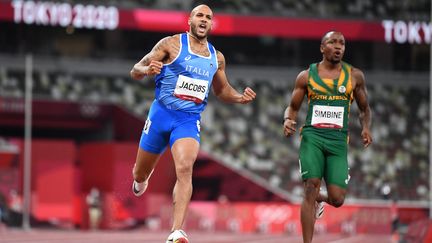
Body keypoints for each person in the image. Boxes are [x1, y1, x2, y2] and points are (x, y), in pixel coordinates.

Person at [130, 4, 256, 243]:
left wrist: (239, 97)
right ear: (189, 19)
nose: (204, 20)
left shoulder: (216, 57)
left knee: (186, 167)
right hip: (160, 115)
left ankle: (176, 231)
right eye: (200, 15)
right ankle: (141, 179)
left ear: (211, 24)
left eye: (208, 17)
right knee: (139, 172)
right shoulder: (171, 44)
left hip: (187, 121)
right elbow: (135, 70)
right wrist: (147, 69)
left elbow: (222, 90)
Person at [283, 31, 372, 243]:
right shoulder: (306, 76)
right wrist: (288, 120)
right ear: (323, 47)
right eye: (333, 42)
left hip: (338, 140)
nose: (338, 46)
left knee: (338, 199)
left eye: (342, 43)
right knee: (310, 185)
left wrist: (366, 127)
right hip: (312, 136)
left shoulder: (354, 76)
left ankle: (319, 199)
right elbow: (292, 107)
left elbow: (364, 109)